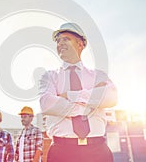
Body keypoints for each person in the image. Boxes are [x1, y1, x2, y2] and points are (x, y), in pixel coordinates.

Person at [39, 23, 118, 162]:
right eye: (58, 40)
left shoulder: (98, 75)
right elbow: (47, 104)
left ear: (80, 44)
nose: (60, 43)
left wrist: (71, 96)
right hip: (62, 152)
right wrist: (91, 103)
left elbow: (111, 98)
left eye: (65, 39)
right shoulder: (49, 76)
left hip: (98, 152)